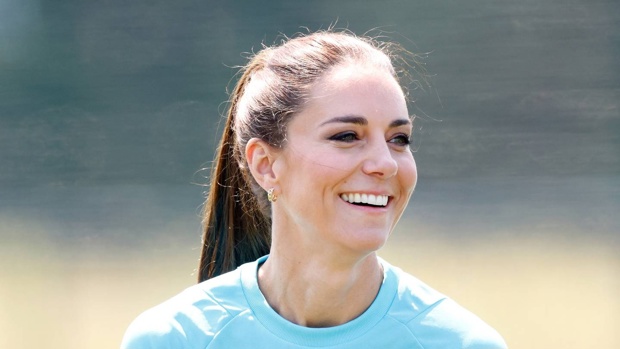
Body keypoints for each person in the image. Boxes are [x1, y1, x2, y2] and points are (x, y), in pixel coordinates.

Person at [121, 30, 507, 349]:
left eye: (399, 138)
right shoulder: (173, 339)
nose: (386, 163)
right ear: (266, 165)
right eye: (347, 136)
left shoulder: (462, 343)